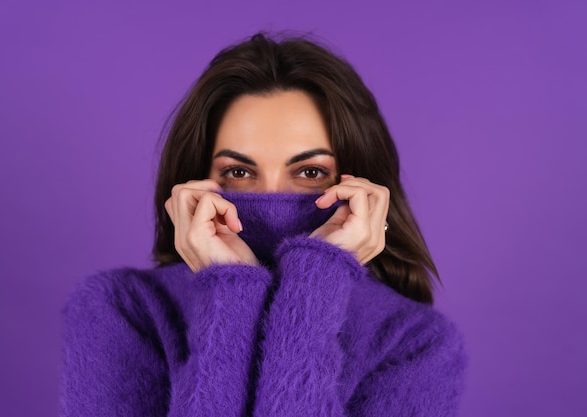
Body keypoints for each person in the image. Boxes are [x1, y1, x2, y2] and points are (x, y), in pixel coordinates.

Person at [61, 33, 467, 416]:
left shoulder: (415, 341)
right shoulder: (122, 309)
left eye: (310, 173)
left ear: (361, 184)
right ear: (195, 181)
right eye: (239, 172)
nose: (271, 196)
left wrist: (316, 284)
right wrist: (228, 291)